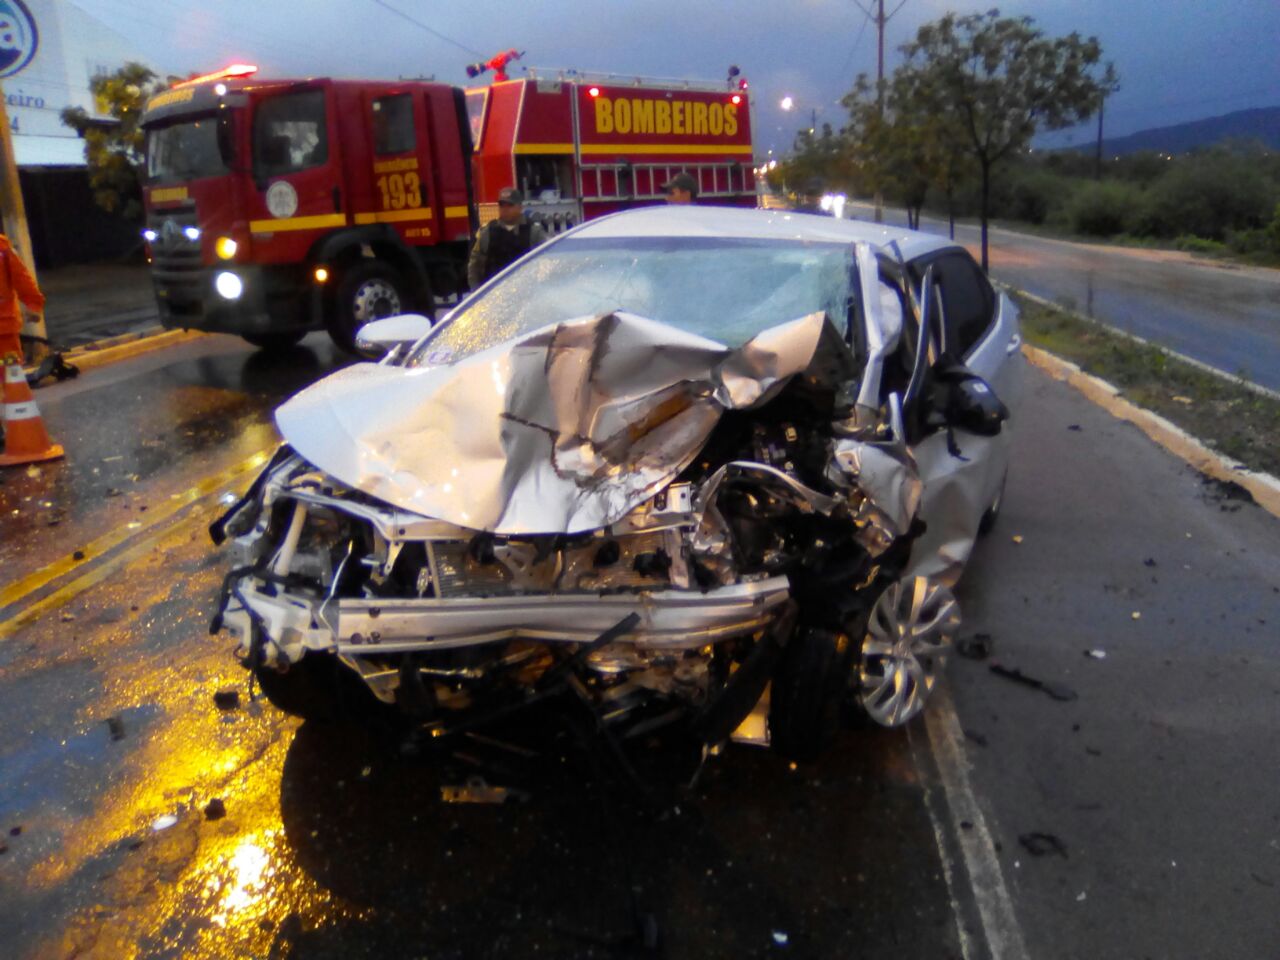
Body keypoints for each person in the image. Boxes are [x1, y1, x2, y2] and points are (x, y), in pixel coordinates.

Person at [466, 187, 548, 288]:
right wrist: (476, 291)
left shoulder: (534, 231)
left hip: (526, 293)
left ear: (520, 207)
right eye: (502, 205)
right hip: (495, 294)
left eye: (510, 205)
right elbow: (475, 263)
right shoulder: (487, 231)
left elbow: (546, 261)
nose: (505, 209)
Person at [0, 232, 44, 365]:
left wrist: (33, 304)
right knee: (10, 375)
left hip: (4, 330)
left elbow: (21, 277)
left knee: (10, 374)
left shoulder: (2, 247)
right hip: (4, 327)